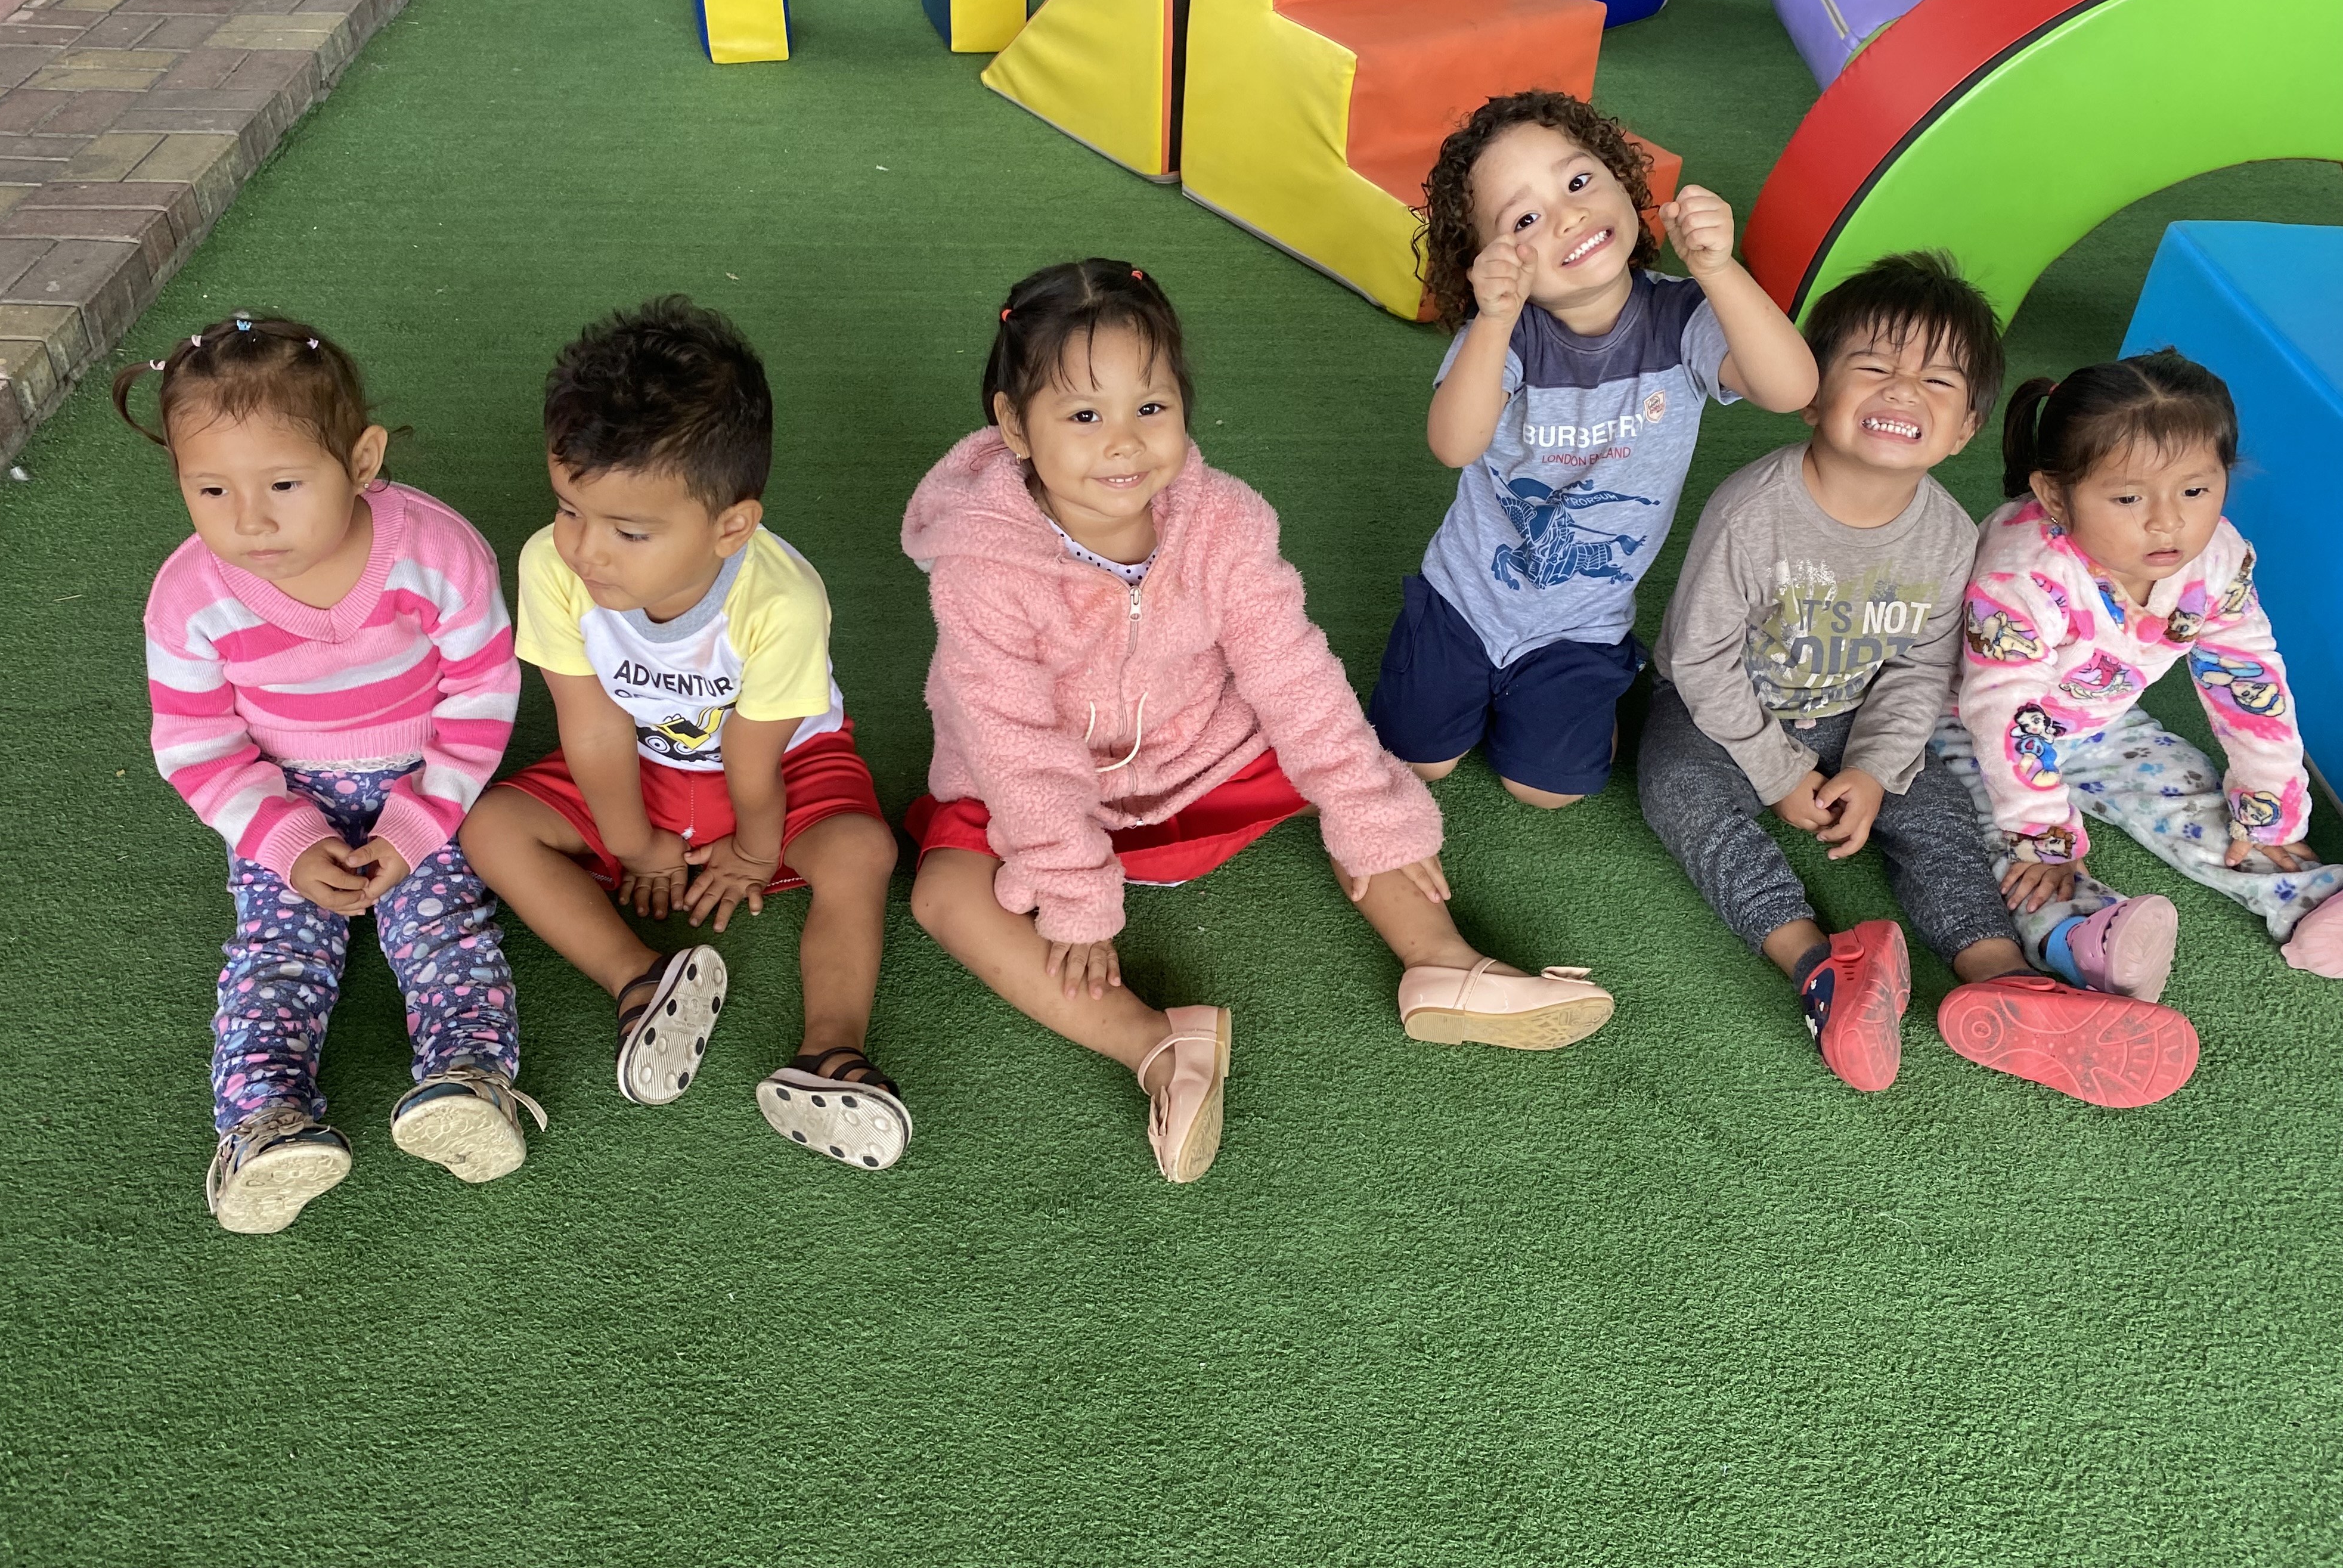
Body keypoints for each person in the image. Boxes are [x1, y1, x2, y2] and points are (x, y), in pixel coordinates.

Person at [901, 260, 1615, 1185]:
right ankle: (1157, 1045)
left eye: (1150, 407)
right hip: (1040, 796)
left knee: (1352, 773)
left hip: (1205, 754)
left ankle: (1440, 960)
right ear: (1012, 426)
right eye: (1083, 416)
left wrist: (1369, 815)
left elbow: (1293, 675)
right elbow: (1013, 744)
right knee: (944, 895)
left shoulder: (1222, 522)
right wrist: (1074, 894)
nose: (1123, 444)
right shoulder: (981, 563)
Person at [1635, 254, 2181, 1100]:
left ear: (1965, 429)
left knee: (1937, 810)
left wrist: (1872, 768)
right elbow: (1701, 661)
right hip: (1723, 711)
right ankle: (1820, 967)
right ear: (1812, 393)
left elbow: (1922, 664)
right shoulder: (1751, 512)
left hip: (1854, 711)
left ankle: (2000, 974)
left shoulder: (1950, 536)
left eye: (1937, 379)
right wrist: (1778, 773)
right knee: (1676, 787)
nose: (1902, 391)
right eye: (1873, 366)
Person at [458, 298, 907, 1169]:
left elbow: (753, 752)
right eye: (569, 509)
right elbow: (590, 724)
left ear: (731, 526)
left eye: (630, 532)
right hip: (638, 760)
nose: (588, 551)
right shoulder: (551, 565)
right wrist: (633, 842)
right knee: (491, 828)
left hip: (788, 764)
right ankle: (639, 978)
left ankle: (831, 1050)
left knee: (862, 852)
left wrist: (757, 849)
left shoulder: (782, 599)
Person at [124, 314, 535, 1234]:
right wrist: (288, 842)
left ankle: (471, 1084)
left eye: (283, 483)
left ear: (361, 461)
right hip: (282, 793)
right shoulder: (190, 598)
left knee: (445, 931)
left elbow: (480, 693)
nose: (250, 519)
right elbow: (197, 743)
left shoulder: (437, 552)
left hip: (424, 780)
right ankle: (263, 1126)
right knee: (277, 950)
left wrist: (417, 826)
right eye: (211, 488)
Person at [1369, 88, 1820, 808]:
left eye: (1579, 181)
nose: (1568, 216)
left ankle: (1586, 705)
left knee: (1544, 791)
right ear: (1489, 261)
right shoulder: (1506, 333)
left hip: (1581, 623)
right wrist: (1493, 320)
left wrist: (1718, 270)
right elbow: (1454, 444)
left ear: (1622, 180)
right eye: (1524, 219)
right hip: (1465, 600)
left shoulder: (1682, 318)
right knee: (1417, 762)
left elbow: (1792, 387)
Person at [1936, 350, 2343, 1092]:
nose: (2168, 520)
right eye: (2128, 498)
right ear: (2055, 496)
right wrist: (2044, 834)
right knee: (2012, 854)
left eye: (2196, 489)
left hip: (2102, 723)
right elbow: (2005, 713)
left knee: (2188, 786)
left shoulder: (2217, 558)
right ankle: (2083, 939)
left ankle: (2307, 896)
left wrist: (2270, 804)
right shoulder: (2023, 573)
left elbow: (2247, 675)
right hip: (1970, 731)